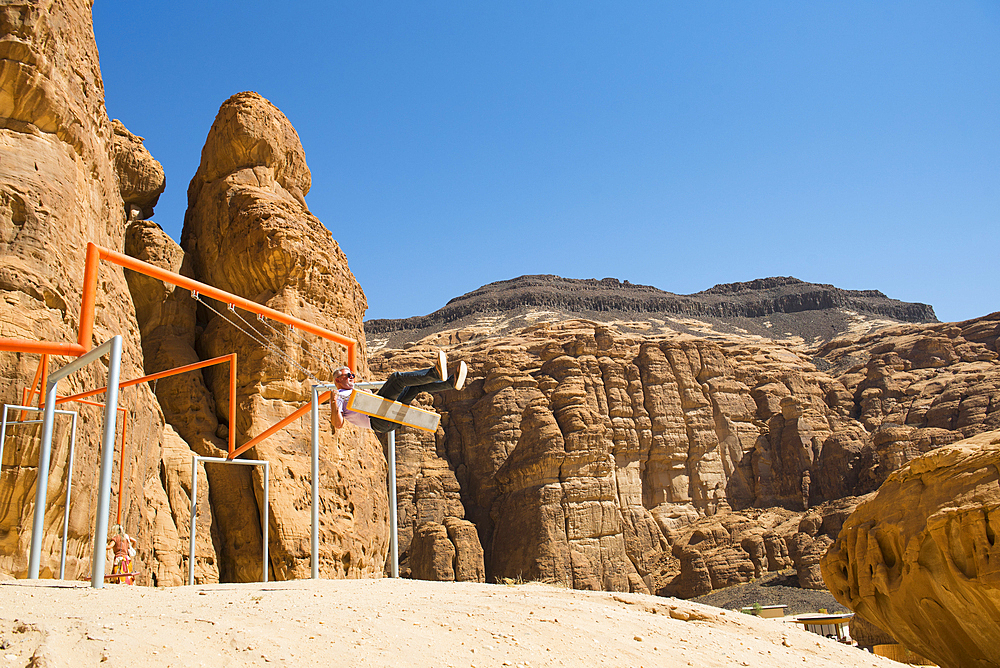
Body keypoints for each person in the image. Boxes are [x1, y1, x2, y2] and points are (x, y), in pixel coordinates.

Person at [332, 351, 467, 433]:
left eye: (352, 375)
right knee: (397, 379)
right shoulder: (339, 396)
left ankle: (450, 383)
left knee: (414, 388)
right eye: (348, 375)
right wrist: (333, 403)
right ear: (338, 380)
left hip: (389, 419)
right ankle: (434, 373)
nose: (351, 377)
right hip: (378, 419)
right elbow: (338, 424)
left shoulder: (355, 392)